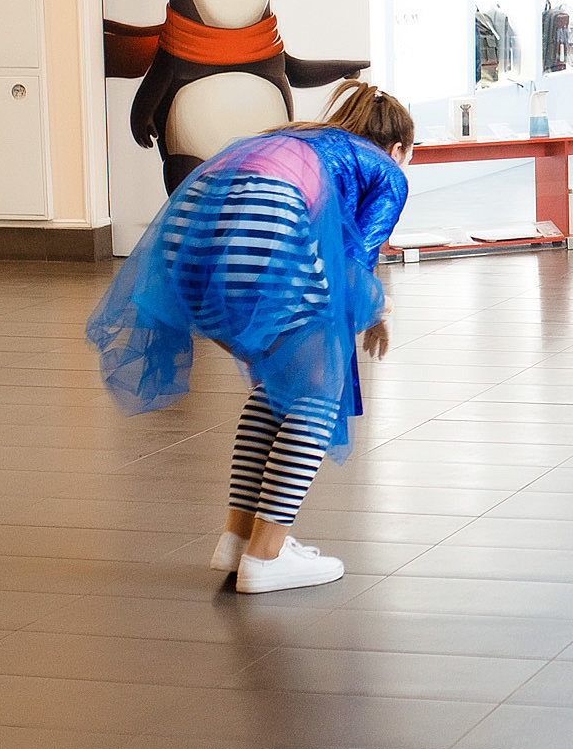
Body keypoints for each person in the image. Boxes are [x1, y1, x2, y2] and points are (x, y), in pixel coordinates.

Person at [86, 80, 413, 594]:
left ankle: (239, 540)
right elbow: (354, 263)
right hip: (259, 230)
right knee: (316, 394)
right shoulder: (386, 170)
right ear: (396, 149)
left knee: (279, 386)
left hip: (186, 240)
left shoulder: (303, 139)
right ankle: (266, 557)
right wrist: (378, 308)